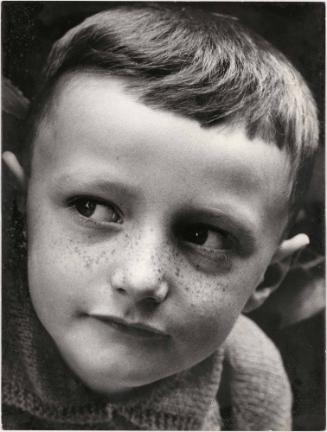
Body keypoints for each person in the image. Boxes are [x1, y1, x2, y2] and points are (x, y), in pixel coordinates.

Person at [2, 4, 319, 430]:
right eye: (93, 208)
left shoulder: (249, 389)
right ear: (19, 207)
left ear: (267, 277)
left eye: (206, 236)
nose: (140, 279)